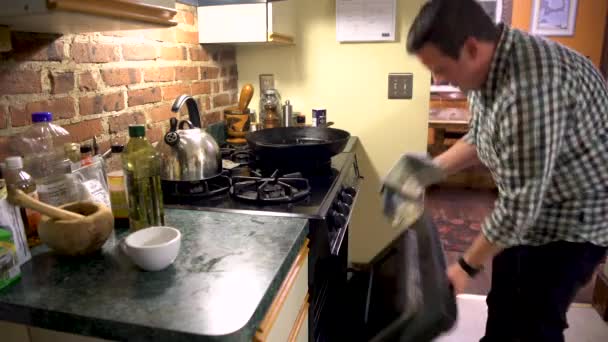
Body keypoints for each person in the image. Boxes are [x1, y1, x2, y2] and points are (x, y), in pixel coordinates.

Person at [405, 0, 608, 341]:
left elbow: (518, 207)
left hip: (574, 222)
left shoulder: (529, 90)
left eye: (440, 67)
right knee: (504, 304)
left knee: (534, 323)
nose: (439, 79)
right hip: (531, 213)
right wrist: (431, 169)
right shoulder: (487, 68)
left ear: (471, 48)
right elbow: (482, 135)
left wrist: (466, 266)